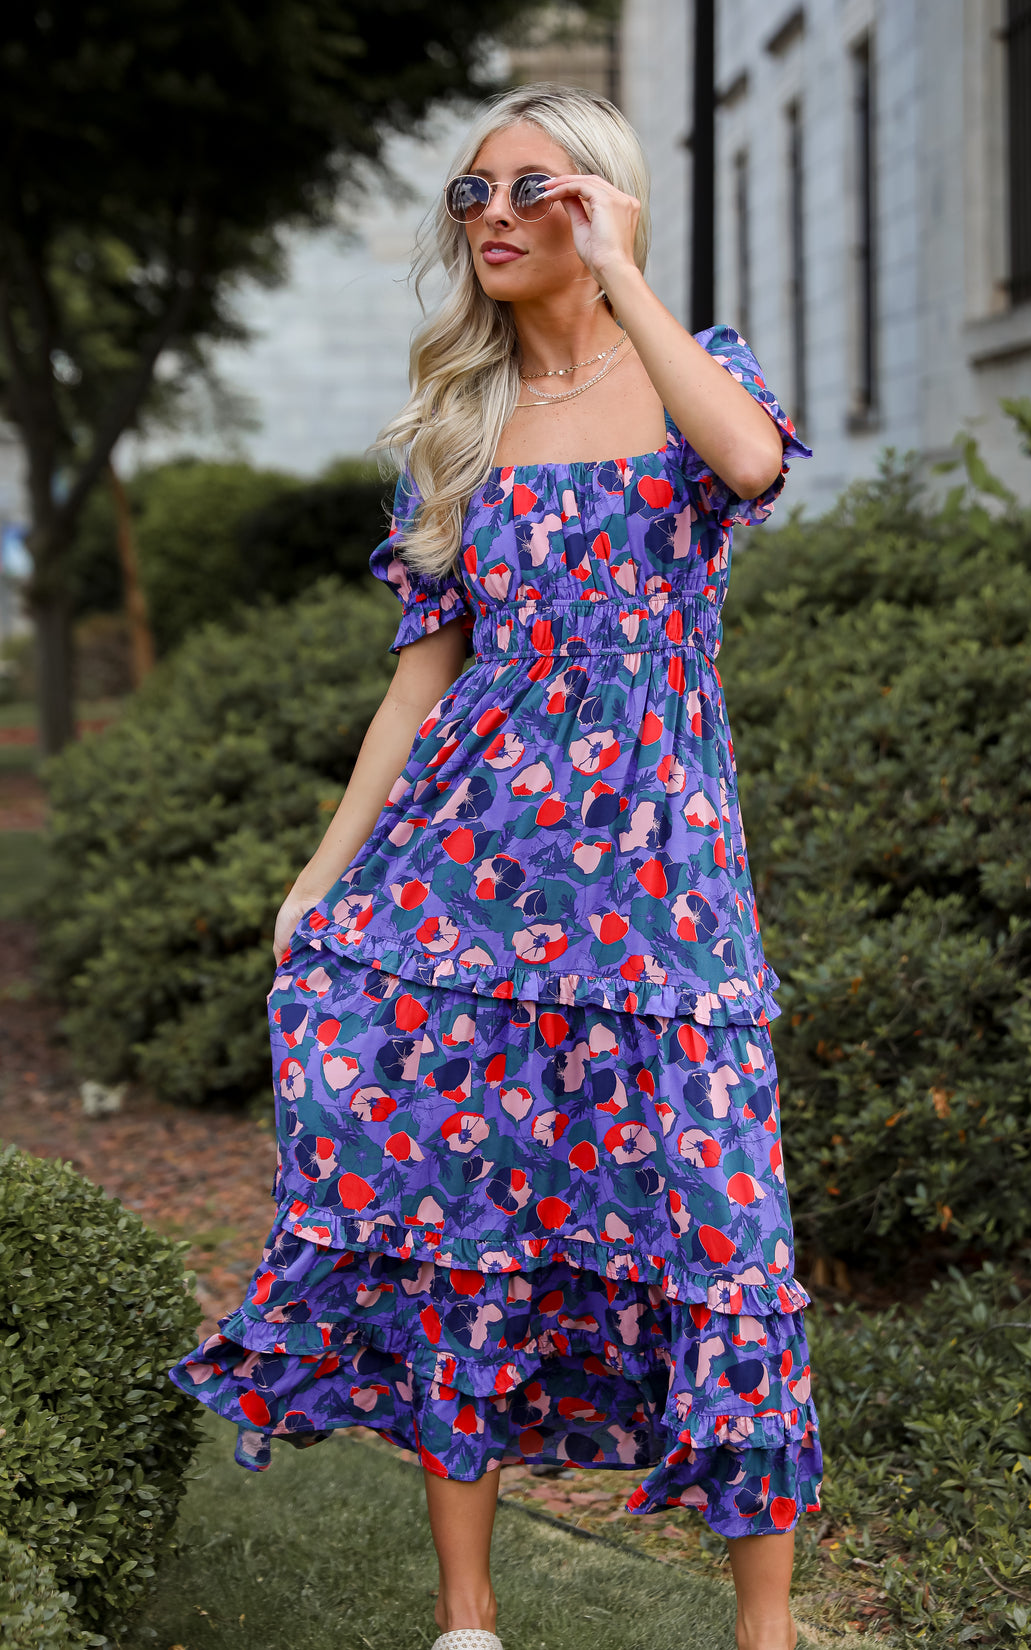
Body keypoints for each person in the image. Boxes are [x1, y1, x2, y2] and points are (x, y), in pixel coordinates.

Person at [169, 81, 822, 1650]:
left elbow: (750, 466)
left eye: (538, 187)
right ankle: (467, 1618)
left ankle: (767, 1631)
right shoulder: (459, 429)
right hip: (466, 878)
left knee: (722, 1226)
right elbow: (423, 679)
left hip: (663, 890)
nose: (500, 215)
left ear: (604, 201)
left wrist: (631, 275)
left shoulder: (694, 375)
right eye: (475, 195)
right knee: (464, 1216)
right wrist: (325, 874)